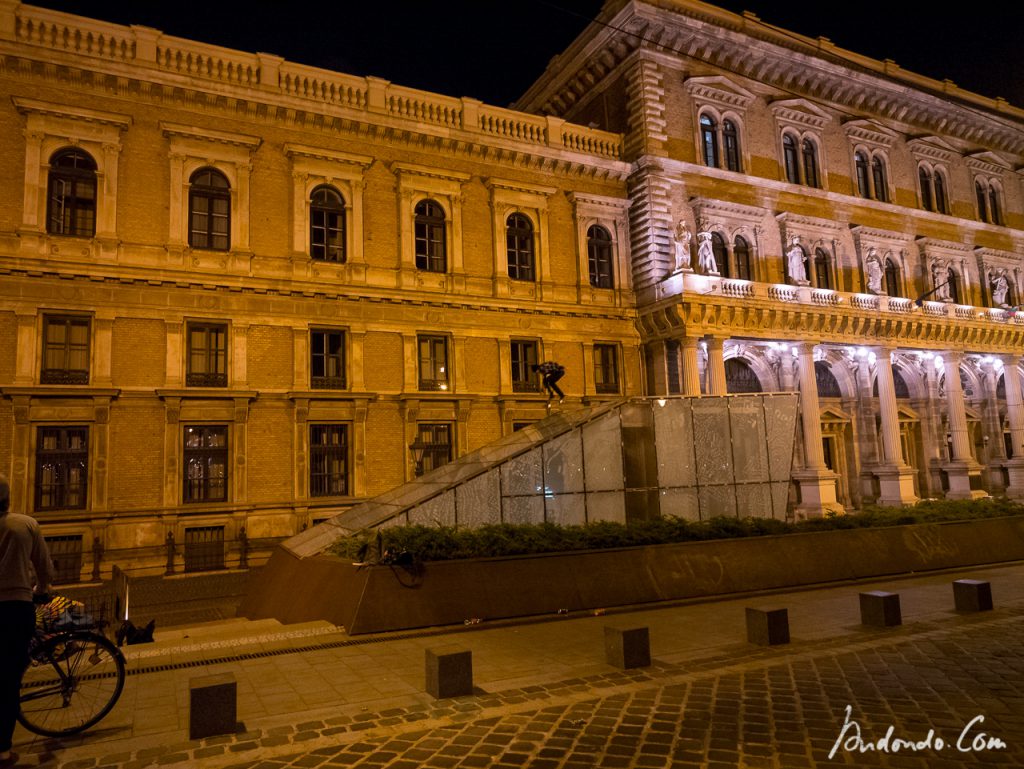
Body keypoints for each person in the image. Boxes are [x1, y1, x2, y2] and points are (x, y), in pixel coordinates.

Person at [0, 475, 54, 767]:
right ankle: (3, 749)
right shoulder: (24, 524)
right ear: (7, 499)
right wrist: (43, 589)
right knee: (9, 677)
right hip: (16, 605)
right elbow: (45, 566)